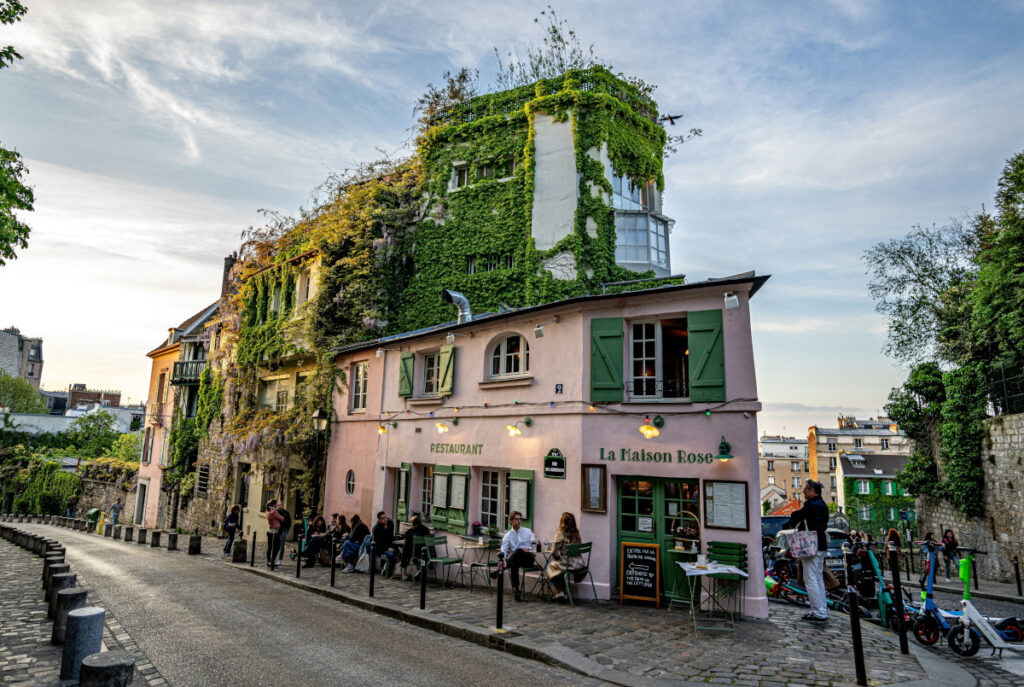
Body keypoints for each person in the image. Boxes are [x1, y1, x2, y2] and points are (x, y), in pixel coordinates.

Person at [784, 479, 829, 622]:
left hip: (810, 545)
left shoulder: (811, 506)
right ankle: (823, 609)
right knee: (818, 578)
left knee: (810, 579)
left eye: (806, 490)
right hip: (821, 544)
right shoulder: (823, 505)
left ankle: (818, 611)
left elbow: (796, 517)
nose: (803, 492)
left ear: (812, 491)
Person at [496, 511, 535, 602]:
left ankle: (499, 570)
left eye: (520, 519)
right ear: (511, 521)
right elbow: (503, 552)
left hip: (528, 559)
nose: (519, 521)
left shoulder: (527, 531)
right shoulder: (507, 536)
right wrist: (504, 559)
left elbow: (534, 544)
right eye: (516, 519)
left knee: (518, 551)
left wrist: (528, 549)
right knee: (514, 563)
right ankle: (517, 591)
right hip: (516, 560)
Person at [544, 512, 583, 601]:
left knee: (548, 567)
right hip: (579, 564)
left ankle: (560, 591)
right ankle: (563, 592)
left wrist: (557, 558)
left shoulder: (560, 533)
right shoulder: (576, 533)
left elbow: (554, 552)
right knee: (557, 569)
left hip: (567, 564)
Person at [400, 514, 430, 580]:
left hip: (414, 552)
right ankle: (419, 569)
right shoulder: (425, 530)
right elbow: (429, 533)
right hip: (423, 553)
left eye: (411, 524)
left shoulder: (410, 532)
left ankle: (404, 574)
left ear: (414, 524)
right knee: (410, 554)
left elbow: (407, 543)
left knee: (405, 553)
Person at [371, 511, 397, 576]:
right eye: (382, 518)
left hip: (390, 545)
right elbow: (378, 543)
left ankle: (391, 570)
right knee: (391, 555)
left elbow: (391, 537)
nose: (385, 519)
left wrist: (392, 546)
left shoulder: (390, 523)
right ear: (379, 520)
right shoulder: (376, 528)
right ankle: (388, 573)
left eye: (385, 517)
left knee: (399, 552)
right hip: (381, 548)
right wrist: (388, 548)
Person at [266, 500, 284, 568]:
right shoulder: (274, 511)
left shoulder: (268, 511)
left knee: (270, 547)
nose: (277, 506)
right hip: (275, 531)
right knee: (276, 547)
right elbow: (282, 519)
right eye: (276, 504)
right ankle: (271, 562)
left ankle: (269, 561)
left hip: (269, 530)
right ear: (273, 505)